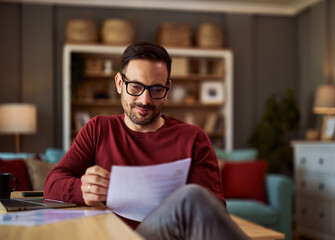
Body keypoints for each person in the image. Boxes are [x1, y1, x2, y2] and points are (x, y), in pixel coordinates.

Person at [44, 42, 249, 240]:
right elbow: (52, 184)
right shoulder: (98, 129)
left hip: (164, 234)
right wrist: (84, 189)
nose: (145, 100)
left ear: (167, 89)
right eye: (135, 87)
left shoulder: (194, 138)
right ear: (119, 83)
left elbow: (212, 211)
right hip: (108, 234)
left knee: (193, 197)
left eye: (156, 90)